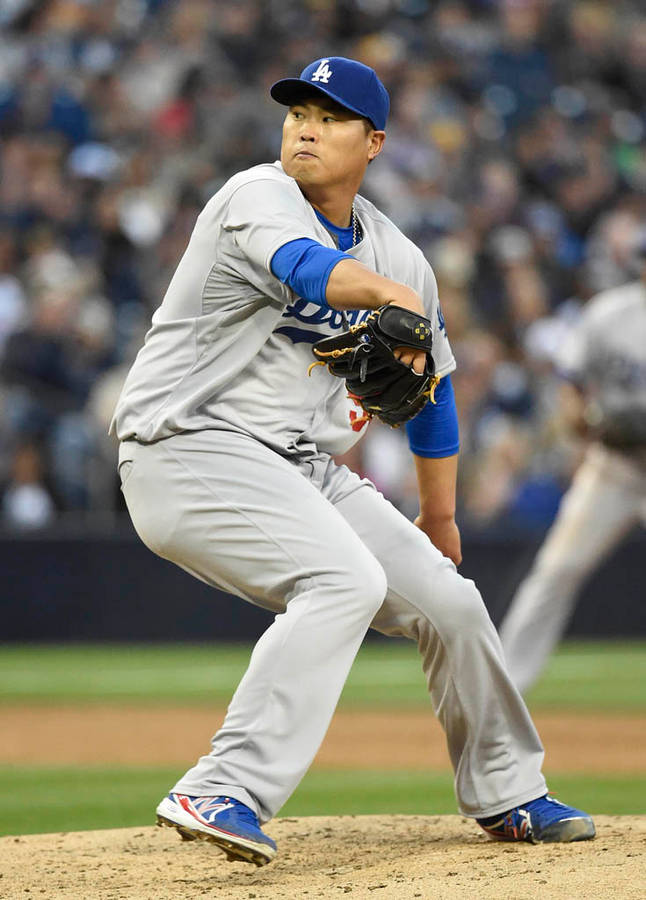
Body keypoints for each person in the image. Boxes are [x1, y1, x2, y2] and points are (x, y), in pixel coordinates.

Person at [110, 56, 594, 866]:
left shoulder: (399, 256)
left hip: (299, 466)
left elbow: (434, 393)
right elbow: (305, 269)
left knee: (449, 602)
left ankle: (509, 792)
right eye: (298, 112)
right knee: (344, 582)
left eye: (330, 117)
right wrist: (386, 298)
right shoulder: (255, 195)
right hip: (185, 445)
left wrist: (438, 515)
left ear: (374, 143)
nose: (306, 128)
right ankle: (222, 786)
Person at [499, 247, 646, 694]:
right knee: (556, 570)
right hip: (615, 467)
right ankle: (505, 687)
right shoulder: (610, 313)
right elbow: (571, 381)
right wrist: (580, 419)